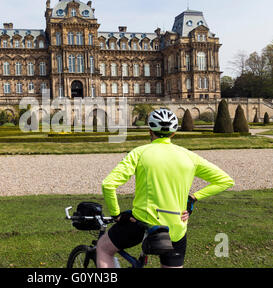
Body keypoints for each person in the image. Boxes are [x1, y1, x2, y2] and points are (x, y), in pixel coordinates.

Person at [97, 108, 234, 268]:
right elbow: (226, 180)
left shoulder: (139, 153)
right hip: (175, 227)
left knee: (103, 249)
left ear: (150, 131)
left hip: (141, 224)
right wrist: (194, 198)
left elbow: (108, 184)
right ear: (173, 133)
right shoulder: (189, 156)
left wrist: (116, 214)